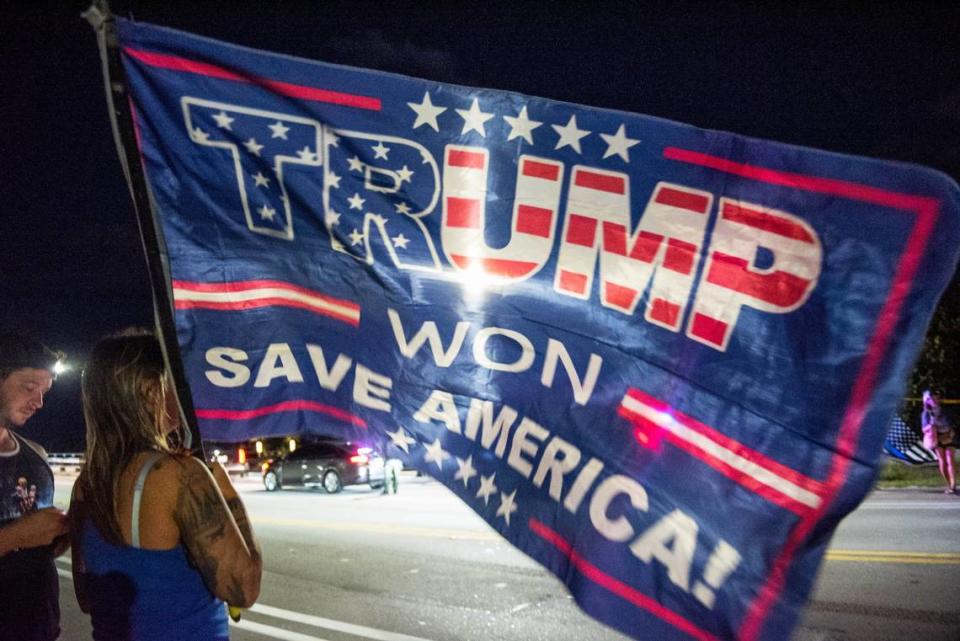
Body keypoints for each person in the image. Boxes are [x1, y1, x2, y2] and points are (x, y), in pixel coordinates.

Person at [69, 330, 262, 640]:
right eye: (173, 379)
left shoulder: (86, 485)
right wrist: (227, 494)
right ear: (150, 391)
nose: (182, 390)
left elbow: (87, 598)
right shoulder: (179, 476)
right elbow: (243, 589)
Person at [0, 333, 70, 641]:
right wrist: (16, 536)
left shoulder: (36, 456)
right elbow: (19, 538)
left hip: (38, 627)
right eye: (30, 387)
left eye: (44, 391)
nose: (39, 402)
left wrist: (62, 533)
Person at [921, 389, 956, 495]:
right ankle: (948, 484)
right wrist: (931, 427)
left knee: (950, 459)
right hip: (937, 438)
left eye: (937, 397)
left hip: (948, 436)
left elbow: (952, 423)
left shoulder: (944, 410)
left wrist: (950, 433)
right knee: (942, 461)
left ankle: (953, 485)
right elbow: (924, 428)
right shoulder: (926, 413)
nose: (935, 399)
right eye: (932, 397)